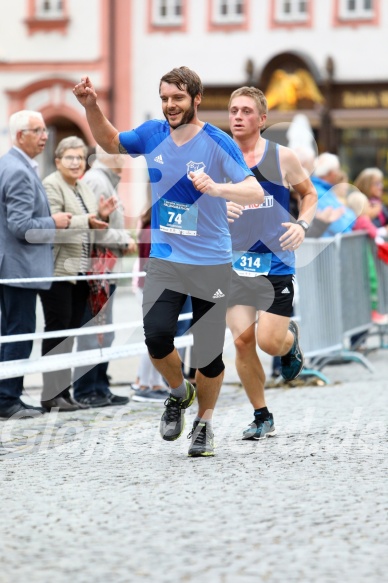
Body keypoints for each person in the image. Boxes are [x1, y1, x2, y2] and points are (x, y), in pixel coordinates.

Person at [73, 67, 263, 457]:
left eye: (177, 98)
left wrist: (217, 188)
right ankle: (179, 393)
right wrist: (91, 106)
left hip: (211, 262)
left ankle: (204, 425)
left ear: (196, 99)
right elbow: (109, 141)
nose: (169, 106)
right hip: (165, 260)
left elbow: (253, 189)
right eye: (164, 98)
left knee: (207, 354)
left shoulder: (216, 142)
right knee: (157, 337)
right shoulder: (152, 133)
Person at [225, 87, 317, 440]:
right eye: (233, 110)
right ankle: (261, 414)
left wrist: (302, 224)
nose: (237, 116)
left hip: (276, 263)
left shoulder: (282, 158)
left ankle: (289, 340)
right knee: (243, 341)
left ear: (262, 120)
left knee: (268, 342)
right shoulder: (219, 158)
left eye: (246, 111)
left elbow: (308, 194)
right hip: (236, 264)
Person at [0, 110, 71, 419]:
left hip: (15, 268)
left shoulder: (11, 164)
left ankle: (8, 395)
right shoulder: (17, 170)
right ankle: (7, 399)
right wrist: (54, 222)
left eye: (44, 129)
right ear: (20, 136)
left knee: (14, 332)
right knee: (20, 332)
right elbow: (21, 227)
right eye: (37, 130)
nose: (45, 136)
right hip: (20, 270)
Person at [39, 136, 116, 412]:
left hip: (82, 273)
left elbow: (89, 224)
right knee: (56, 332)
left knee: (70, 334)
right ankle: (51, 393)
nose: (75, 162)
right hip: (59, 271)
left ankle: (64, 392)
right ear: (58, 161)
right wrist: (90, 220)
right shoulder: (51, 185)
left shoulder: (82, 186)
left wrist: (102, 216)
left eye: (80, 157)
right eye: (69, 157)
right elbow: (57, 226)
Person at [72, 145, 137, 407]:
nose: (126, 158)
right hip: (96, 270)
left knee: (105, 331)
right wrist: (124, 239)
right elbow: (95, 229)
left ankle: (100, 386)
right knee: (94, 332)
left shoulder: (105, 180)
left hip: (104, 270)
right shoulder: (97, 181)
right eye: (122, 153)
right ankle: (87, 389)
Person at [131, 185, 170, 403]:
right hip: (148, 285)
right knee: (154, 337)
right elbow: (150, 263)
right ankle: (143, 382)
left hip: (152, 284)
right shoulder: (152, 224)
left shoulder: (154, 220)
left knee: (160, 336)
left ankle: (154, 381)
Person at [347, 191, 388, 325]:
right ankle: (374, 312)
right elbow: (372, 231)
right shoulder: (363, 219)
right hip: (364, 256)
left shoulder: (355, 219)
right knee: (371, 282)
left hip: (361, 255)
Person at [311, 153, 356, 237]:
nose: (339, 174)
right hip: (324, 247)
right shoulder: (319, 193)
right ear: (332, 173)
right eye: (338, 170)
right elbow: (340, 225)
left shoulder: (325, 191)